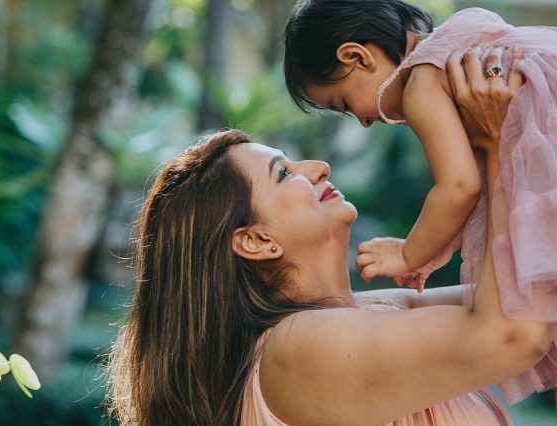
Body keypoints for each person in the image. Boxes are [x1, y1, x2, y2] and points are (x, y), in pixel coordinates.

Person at [106, 48, 553, 425]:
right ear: (256, 241)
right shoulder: (296, 352)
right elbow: (513, 335)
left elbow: (533, 299)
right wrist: (501, 142)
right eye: (283, 173)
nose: (317, 167)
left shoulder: (366, 313)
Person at [284, 0, 557, 403]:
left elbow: (459, 186)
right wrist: (438, 251)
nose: (361, 119)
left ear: (356, 56)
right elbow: (482, 187)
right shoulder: (462, 36)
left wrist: (408, 253)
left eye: (342, 104)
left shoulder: (423, 84)